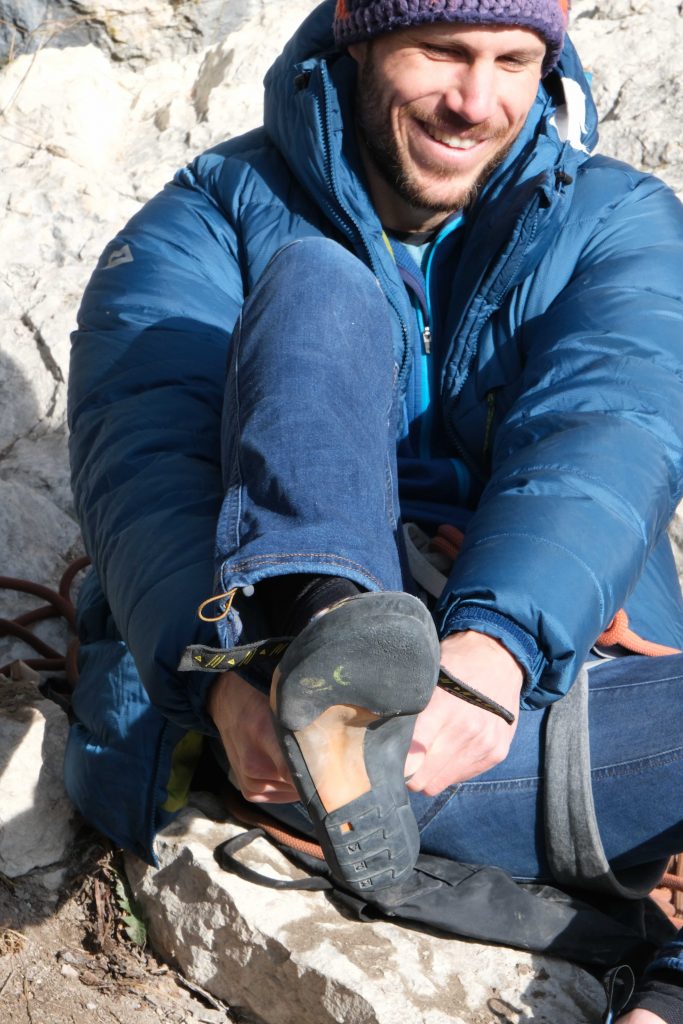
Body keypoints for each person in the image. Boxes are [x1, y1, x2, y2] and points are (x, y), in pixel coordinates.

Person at [66, 0, 683, 1019]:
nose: (473, 100)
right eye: (438, 51)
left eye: (512, 60)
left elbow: (607, 428)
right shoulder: (212, 215)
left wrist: (492, 653)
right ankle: (322, 661)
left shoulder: (615, 222)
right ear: (355, 46)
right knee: (319, 283)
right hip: (263, 715)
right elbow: (145, 466)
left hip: (530, 696)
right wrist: (222, 685)